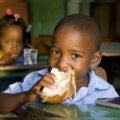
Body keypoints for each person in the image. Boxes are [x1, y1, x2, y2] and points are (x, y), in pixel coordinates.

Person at [0, 14, 118, 114]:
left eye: (75, 56)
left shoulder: (105, 93)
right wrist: (25, 96)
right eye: (56, 52)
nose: (62, 64)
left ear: (94, 60)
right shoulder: (35, 81)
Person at [0, 9, 31, 92]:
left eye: (19, 41)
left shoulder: (25, 58)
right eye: (9, 42)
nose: (15, 46)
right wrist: (3, 63)